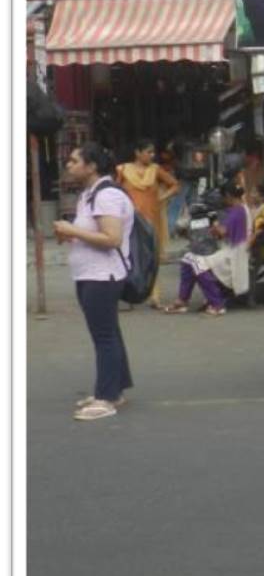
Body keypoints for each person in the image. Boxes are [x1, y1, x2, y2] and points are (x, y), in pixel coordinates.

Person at [53, 143, 136, 421]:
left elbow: (111, 238)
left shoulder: (107, 196)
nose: (69, 165)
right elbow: (94, 233)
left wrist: (71, 229)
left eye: (75, 161)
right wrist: (72, 234)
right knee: (109, 332)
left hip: (102, 275)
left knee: (104, 336)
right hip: (91, 273)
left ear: (91, 166)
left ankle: (106, 398)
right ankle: (116, 389)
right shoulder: (91, 194)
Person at [163, 179, 253, 317]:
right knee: (188, 259)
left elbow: (221, 232)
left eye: (223, 197)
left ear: (228, 196)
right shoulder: (241, 208)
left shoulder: (236, 211)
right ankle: (182, 301)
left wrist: (214, 223)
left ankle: (217, 304)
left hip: (234, 254)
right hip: (231, 250)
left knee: (197, 263)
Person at [115, 138, 179, 307]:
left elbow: (174, 185)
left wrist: (161, 197)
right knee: (128, 256)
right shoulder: (122, 170)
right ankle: (127, 295)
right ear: (138, 152)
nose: (152, 155)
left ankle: (154, 295)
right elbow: (113, 190)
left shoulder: (156, 170)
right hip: (130, 221)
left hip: (152, 220)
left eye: (153, 152)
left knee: (152, 257)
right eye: (148, 152)